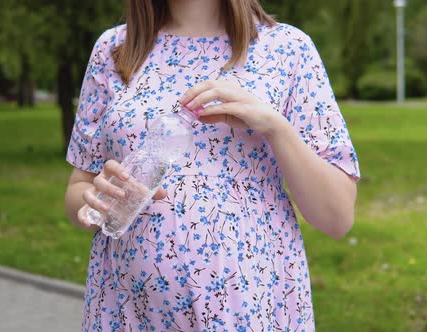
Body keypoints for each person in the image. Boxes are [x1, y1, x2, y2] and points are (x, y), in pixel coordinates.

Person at [65, 0, 360, 330]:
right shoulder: (114, 48)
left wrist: (273, 125)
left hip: (250, 308)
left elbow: (337, 217)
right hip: (129, 308)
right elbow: (79, 189)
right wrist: (98, 199)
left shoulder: (288, 49)